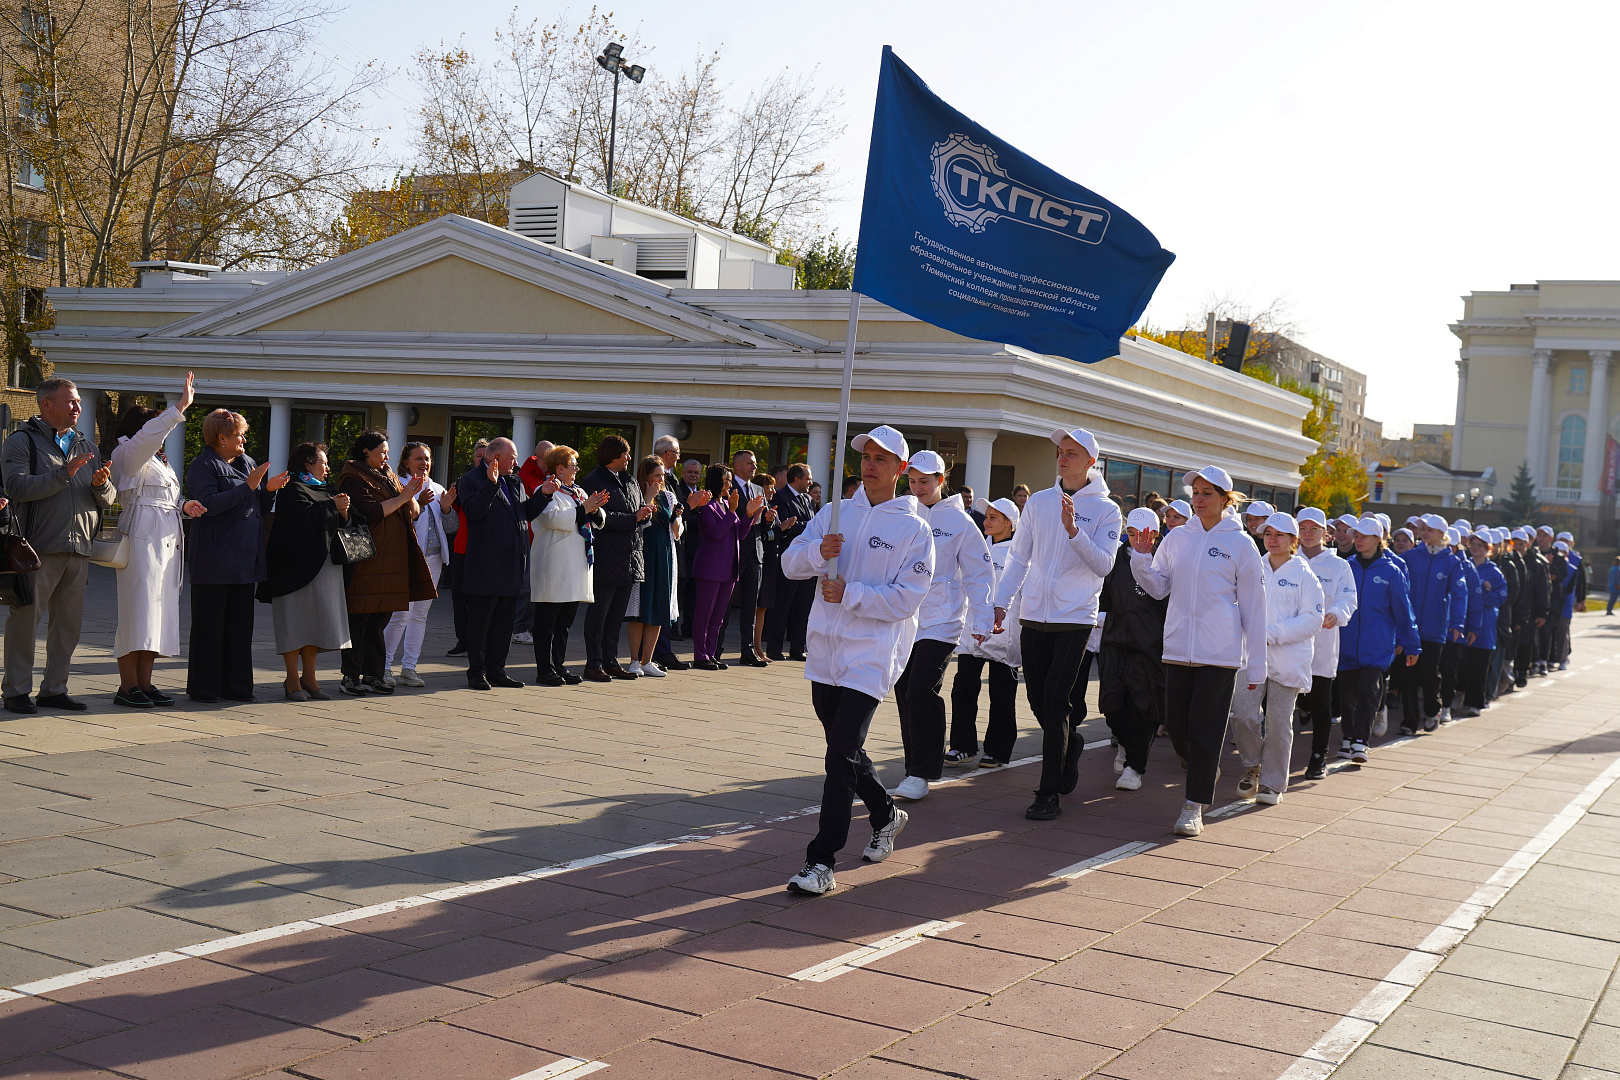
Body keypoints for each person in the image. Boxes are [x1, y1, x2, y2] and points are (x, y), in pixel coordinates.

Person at [780, 425, 933, 895]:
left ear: (901, 470)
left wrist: (852, 594)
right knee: (844, 750)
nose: (870, 464)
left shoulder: (914, 528)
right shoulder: (834, 511)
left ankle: (821, 860)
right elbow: (789, 564)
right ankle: (886, 813)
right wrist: (815, 551)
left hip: (873, 652)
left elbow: (907, 599)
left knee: (839, 749)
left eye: (882, 458)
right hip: (826, 646)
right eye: (866, 455)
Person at [1128, 465, 1267, 838]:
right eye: (1196, 493)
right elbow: (1158, 588)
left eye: (1207, 493)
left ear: (1225, 499)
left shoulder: (1241, 544)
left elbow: (1255, 607)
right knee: (1176, 726)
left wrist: (1256, 667)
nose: (1199, 499)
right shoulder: (1177, 538)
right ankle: (1204, 769)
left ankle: (1193, 805)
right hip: (1176, 649)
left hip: (1219, 654)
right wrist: (1140, 559)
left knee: (1206, 731)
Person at [993, 427, 1121, 821]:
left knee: (1055, 703)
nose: (1063, 458)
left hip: (1075, 618)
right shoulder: (1040, 502)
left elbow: (1104, 564)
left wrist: (1074, 531)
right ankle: (1069, 744)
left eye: (1072, 452)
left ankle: (1048, 793)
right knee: (1038, 702)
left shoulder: (1107, 510)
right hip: (1033, 614)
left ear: (1090, 462)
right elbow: (1019, 558)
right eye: (1060, 452)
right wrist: (1001, 602)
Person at [891, 450, 993, 800]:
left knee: (922, 687)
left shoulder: (962, 523)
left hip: (943, 620)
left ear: (940, 480)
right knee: (904, 692)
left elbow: (980, 574)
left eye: (925, 481)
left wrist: (982, 617)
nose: (918, 487)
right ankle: (912, 766)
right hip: (904, 616)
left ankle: (922, 771)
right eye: (913, 481)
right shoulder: (900, 513)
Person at [1, 379, 108, 713]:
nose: (77, 408)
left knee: (68, 627)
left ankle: (54, 689)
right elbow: (17, 487)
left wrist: (101, 486)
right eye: (70, 402)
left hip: (78, 549)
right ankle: (16, 692)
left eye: (78, 402)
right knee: (25, 623)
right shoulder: (22, 442)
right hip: (37, 550)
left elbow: (109, 497)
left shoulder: (85, 443)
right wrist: (64, 473)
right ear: (47, 405)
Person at [108, 375, 204, 708]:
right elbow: (147, 440)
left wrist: (183, 504)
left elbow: (162, 496)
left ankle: (145, 684)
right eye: (155, 430)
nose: (161, 438)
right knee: (137, 611)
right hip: (141, 539)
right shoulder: (126, 453)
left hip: (165, 539)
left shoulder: (156, 461)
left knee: (157, 613)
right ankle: (127, 686)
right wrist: (178, 409)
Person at [186, 408, 287, 703]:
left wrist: (268, 490)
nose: (244, 439)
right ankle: (206, 688)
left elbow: (257, 506)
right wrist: (248, 487)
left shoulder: (248, 463)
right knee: (210, 626)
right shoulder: (203, 465)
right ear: (222, 438)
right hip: (215, 558)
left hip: (245, 558)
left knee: (240, 628)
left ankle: (237, 687)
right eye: (238, 434)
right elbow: (207, 505)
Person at [1230, 513, 1322, 806]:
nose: (1272, 539)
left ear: (1293, 541)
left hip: (1288, 660)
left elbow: (1313, 619)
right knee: (1243, 715)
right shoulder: (1252, 567)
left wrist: (1274, 633)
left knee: (1279, 723)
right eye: (1268, 533)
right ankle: (1253, 765)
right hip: (1250, 657)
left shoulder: (1305, 576)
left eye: (1280, 535)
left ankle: (1272, 783)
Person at [338, 431, 437, 695]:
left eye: (387, 452)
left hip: (391, 559)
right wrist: (404, 497)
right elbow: (370, 513)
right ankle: (350, 677)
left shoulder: (388, 474)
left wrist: (412, 495)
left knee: (379, 620)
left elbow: (412, 512)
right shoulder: (353, 477)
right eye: (381, 452)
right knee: (359, 619)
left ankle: (373, 674)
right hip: (366, 559)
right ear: (365, 452)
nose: (386, 457)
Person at [258, 442, 352, 700]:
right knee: (294, 624)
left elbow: (335, 523)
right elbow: (301, 521)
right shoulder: (292, 489)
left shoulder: (323, 489)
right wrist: (332, 506)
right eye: (323, 462)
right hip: (293, 570)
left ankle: (309, 679)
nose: (328, 468)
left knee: (314, 624)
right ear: (308, 463)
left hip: (323, 567)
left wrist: (342, 511)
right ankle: (291, 680)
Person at [458, 437, 553, 689]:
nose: (516, 462)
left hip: (513, 564)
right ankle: (476, 672)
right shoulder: (471, 480)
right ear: (496, 457)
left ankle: (497, 670)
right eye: (512, 457)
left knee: (503, 623)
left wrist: (542, 495)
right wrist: (490, 484)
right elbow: (474, 512)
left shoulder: (515, 480)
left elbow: (524, 514)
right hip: (486, 566)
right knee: (481, 623)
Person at [1338, 517, 1421, 763]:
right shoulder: (1346, 566)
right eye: (1357, 536)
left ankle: (1361, 740)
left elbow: (1403, 610)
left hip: (1377, 646)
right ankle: (1347, 736)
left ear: (1378, 539)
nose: (1358, 540)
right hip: (1346, 644)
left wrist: (1411, 644)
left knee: (1367, 692)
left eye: (1364, 536)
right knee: (1346, 694)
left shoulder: (1391, 571)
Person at [1097, 507, 1168, 792]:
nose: (1138, 539)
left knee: (1144, 709)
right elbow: (1104, 597)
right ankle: (1124, 743)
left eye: (1145, 534)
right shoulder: (1114, 559)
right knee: (1112, 706)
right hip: (1114, 643)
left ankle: (1135, 767)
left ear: (1156, 535)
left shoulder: (1165, 561)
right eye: (1132, 533)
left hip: (1148, 648)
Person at [950, 497, 1023, 769]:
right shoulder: (977, 547)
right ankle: (961, 746)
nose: (987, 521)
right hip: (973, 631)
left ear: (1009, 523)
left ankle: (998, 750)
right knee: (963, 689)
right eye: (987, 516)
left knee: (1002, 695)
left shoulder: (1019, 554)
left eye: (994, 517)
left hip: (1003, 635)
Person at [531, 445, 609, 685]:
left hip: (575, 565)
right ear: (560, 468)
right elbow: (553, 518)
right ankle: (544, 670)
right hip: (553, 564)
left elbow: (599, 520)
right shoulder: (545, 490)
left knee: (564, 622)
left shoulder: (578, 492)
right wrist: (586, 508)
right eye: (572, 464)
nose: (577, 468)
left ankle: (559, 666)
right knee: (547, 623)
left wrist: (594, 509)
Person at [383, 442, 455, 688]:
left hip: (433, 559)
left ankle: (409, 668)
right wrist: (419, 503)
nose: (424, 463)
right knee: (400, 615)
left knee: (420, 615)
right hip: (408, 558)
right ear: (405, 462)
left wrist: (446, 509)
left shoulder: (437, 488)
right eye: (418, 458)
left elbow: (450, 527)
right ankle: (383, 667)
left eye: (427, 458)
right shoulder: (398, 486)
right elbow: (395, 523)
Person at [580, 435, 651, 681]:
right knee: (598, 617)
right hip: (606, 557)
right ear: (612, 455)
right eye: (625, 454)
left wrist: (644, 514)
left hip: (630, 557)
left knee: (616, 618)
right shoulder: (593, 481)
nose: (629, 459)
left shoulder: (630, 480)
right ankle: (593, 663)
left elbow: (639, 510)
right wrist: (635, 518)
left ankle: (610, 661)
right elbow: (602, 518)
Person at [1296, 507, 1358, 780]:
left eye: (1314, 529)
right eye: (1302, 529)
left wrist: (1338, 613)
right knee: (1280, 706)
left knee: (1321, 704)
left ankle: (1318, 757)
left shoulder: (1338, 566)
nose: (1308, 534)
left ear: (1325, 533)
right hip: (1287, 644)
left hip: (1322, 643)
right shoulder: (1283, 560)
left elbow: (1348, 598)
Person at [1396, 514, 1467, 734]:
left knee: (1429, 673)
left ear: (1441, 534)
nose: (1425, 533)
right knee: (1408, 675)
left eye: (1430, 530)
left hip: (1435, 630)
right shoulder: (1410, 557)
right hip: (1410, 628)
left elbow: (1460, 594)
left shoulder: (1452, 562)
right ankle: (1409, 720)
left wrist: (1457, 623)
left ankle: (1432, 709)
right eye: (1423, 529)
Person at [691, 464, 764, 670]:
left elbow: (739, 534)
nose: (730, 485)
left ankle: (711, 653)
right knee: (704, 615)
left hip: (729, 568)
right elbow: (715, 533)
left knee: (718, 617)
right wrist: (733, 511)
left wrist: (749, 516)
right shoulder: (707, 505)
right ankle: (700, 655)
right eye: (727, 481)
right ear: (717, 482)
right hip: (710, 568)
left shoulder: (724, 504)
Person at [625, 455, 681, 677]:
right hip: (643, 555)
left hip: (664, 556)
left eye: (662, 475)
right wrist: (648, 498)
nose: (660, 479)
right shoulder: (636, 493)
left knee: (658, 608)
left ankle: (648, 660)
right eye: (656, 475)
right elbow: (640, 523)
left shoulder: (668, 496)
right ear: (646, 476)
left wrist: (677, 518)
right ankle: (634, 661)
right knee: (639, 611)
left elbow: (676, 532)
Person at [723, 449, 776, 667]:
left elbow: (762, 525)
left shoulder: (757, 489)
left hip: (755, 552)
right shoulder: (728, 488)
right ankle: (715, 648)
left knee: (750, 604)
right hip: (733, 551)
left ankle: (748, 650)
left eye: (754, 464)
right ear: (736, 466)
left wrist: (769, 519)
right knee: (724, 604)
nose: (754, 467)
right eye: (749, 464)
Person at [766, 464, 815, 661]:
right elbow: (785, 526)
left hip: (807, 561)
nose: (810, 482)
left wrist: (806, 526)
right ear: (796, 479)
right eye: (807, 479)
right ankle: (774, 648)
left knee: (802, 607)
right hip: (788, 560)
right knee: (782, 606)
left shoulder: (808, 499)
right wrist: (810, 526)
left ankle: (797, 648)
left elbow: (806, 526)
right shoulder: (781, 497)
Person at [1455, 528, 1505, 719]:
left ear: (1488, 549)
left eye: (1480, 546)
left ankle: (1475, 702)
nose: (1476, 549)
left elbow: (1501, 597)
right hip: (1464, 622)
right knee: (1462, 664)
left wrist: (1487, 592)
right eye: (1473, 545)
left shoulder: (1494, 572)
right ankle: (1458, 696)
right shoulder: (1463, 566)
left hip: (1485, 627)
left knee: (1479, 666)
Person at [510, 439, 554, 646]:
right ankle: (519, 628)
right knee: (526, 587)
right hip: (529, 538)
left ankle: (533, 626)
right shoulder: (524, 477)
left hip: (545, 539)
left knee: (538, 586)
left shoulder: (549, 476)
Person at [446, 438, 487, 656]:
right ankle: (463, 639)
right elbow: (450, 512)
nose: (481, 459)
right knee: (459, 598)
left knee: (480, 600)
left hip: (485, 551)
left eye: (484, 455)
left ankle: (479, 642)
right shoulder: (465, 481)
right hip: (462, 548)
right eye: (478, 455)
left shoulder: (501, 481)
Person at [672, 457, 704, 642]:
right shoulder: (677, 491)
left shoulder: (701, 493)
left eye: (696, 473)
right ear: (683, 473)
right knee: (678, 590)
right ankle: (673, 628)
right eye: (690, 472)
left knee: (694, 592)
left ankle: (689, 627)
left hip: (698, 549)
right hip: (681, 547)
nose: (693, 475)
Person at [751, 471, 780, 664]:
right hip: (760, 557)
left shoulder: (770, 506)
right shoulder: (759, 507)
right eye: (770, 486)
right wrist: (777, 527)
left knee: (762, 607)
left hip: (770, 560)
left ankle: (759, 647)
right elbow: (763, 532)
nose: (774, 491)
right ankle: (754, 647)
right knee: (755, 607)